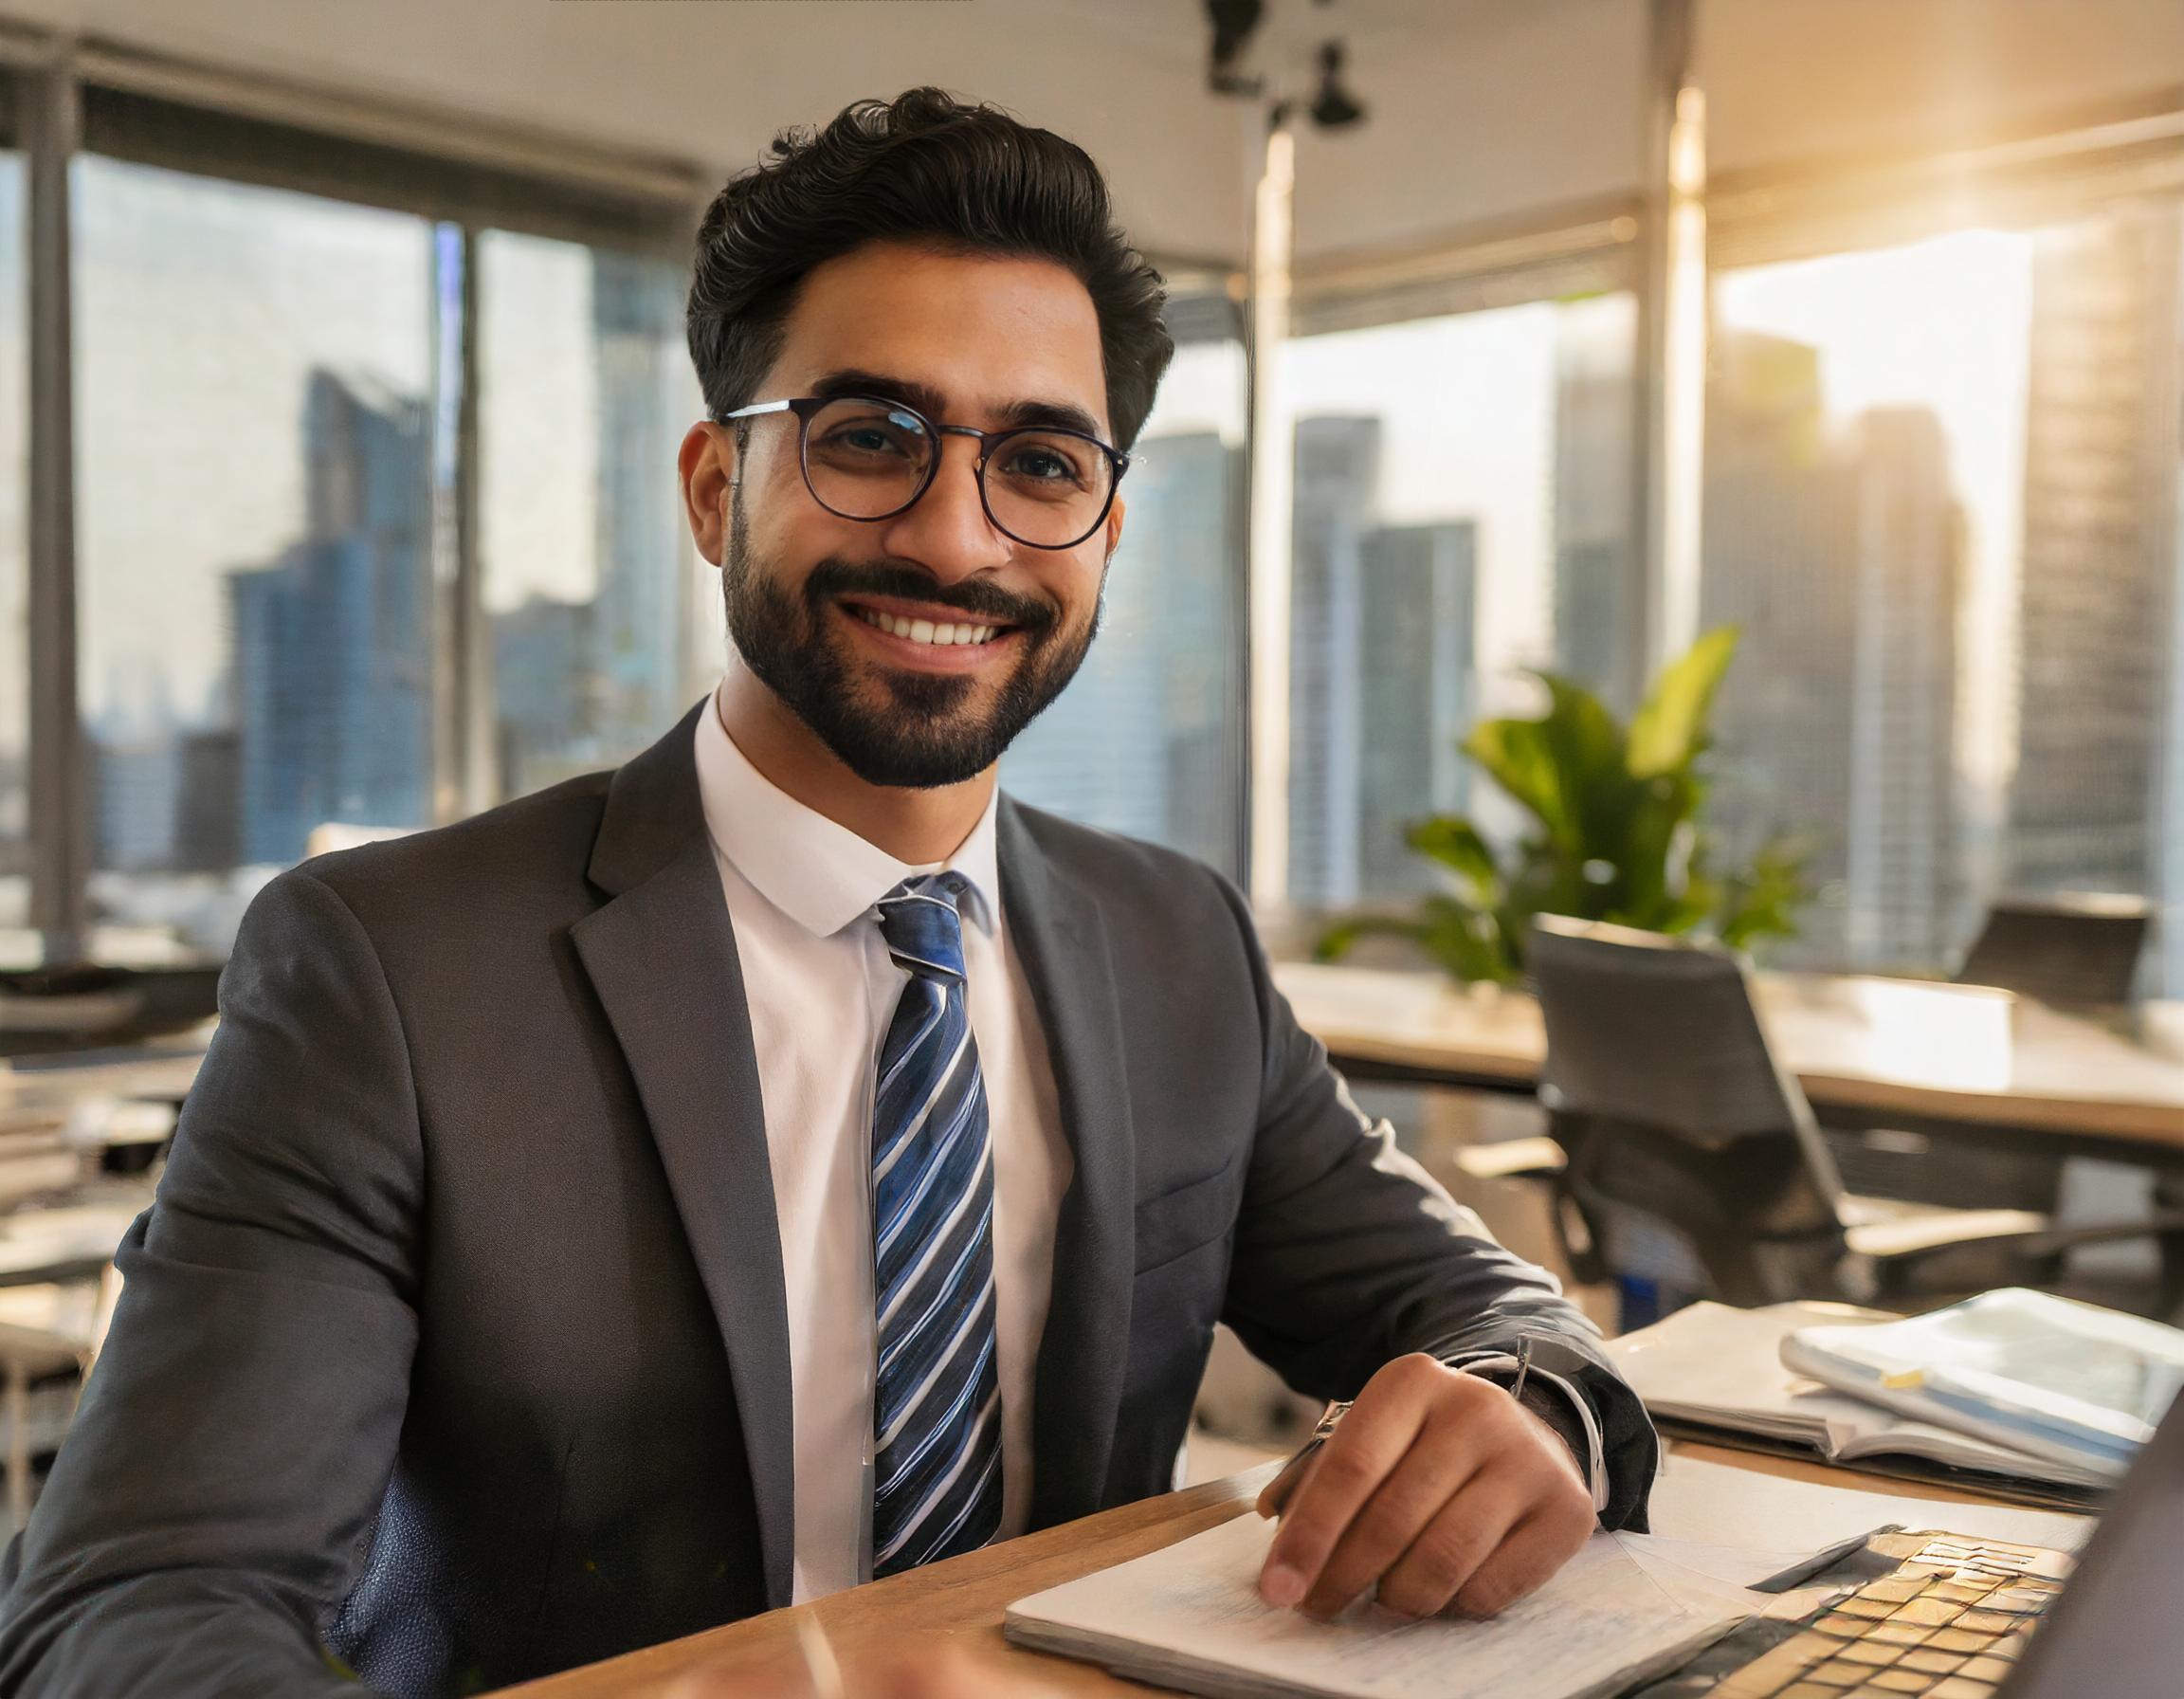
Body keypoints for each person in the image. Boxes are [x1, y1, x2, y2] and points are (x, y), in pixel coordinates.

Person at [0, 89, 1657, 1699]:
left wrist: (1533, 1406)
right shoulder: (389, 971)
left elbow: (1498, 1312)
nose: (956, 538)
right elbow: (135, 1607)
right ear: (720, 489)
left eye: (1041, 463)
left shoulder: (1178, 945)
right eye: (870, 439)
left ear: (1104, 527)